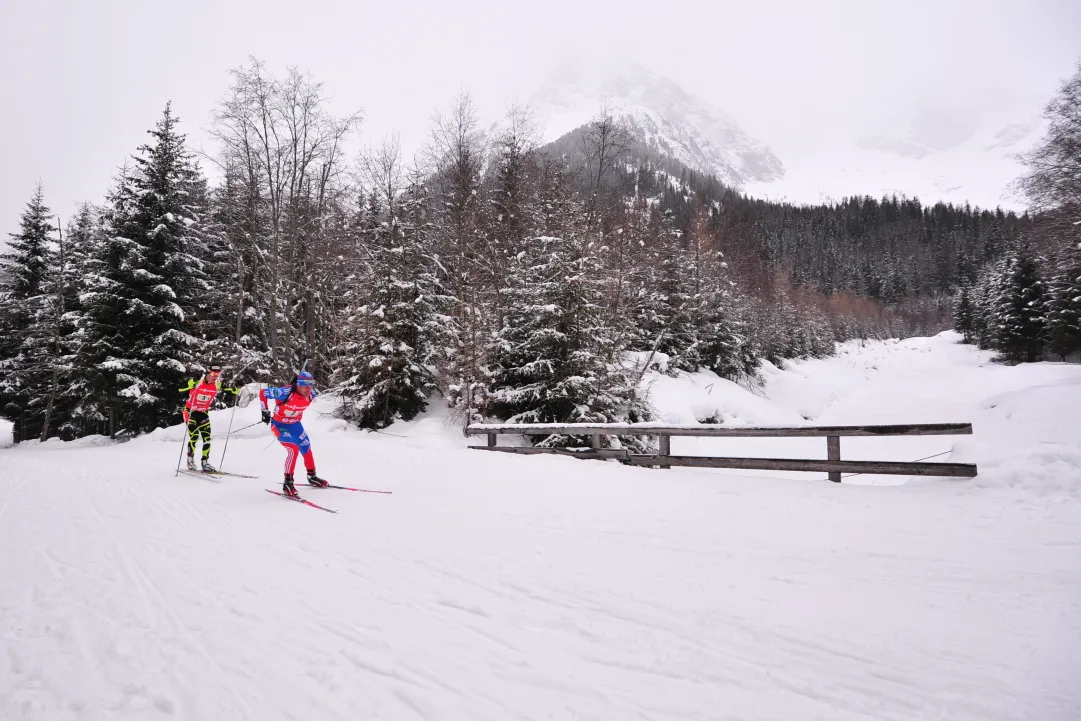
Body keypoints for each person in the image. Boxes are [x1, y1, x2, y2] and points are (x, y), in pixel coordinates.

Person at [259, 371, 327, 497]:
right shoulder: (284, 392)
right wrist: (264, 411)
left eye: (311, 385)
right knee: (293, 449)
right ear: (298, 385)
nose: (309, 389)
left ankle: (312, 476)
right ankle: (288, 483)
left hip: (295, 425)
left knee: (306, 446)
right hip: (279, 425)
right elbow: (263, 393)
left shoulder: (312, 394)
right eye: (305, 386)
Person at [179, 364, 238, 472]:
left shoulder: (217, 384)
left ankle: (205, 462)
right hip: (190, 412)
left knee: (207, 439)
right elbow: (181, 389)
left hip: (203, 413)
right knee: (195, 435)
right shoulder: (198, 382)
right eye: (213, 374)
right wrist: (192, 381)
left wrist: (237, 387)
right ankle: (190, 460)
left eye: (217, 374)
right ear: (207, 373)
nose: (215, 376)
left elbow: (233, 391)